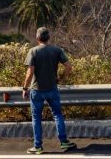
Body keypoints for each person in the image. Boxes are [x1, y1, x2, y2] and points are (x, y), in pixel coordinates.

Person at [21, 27, 77, 155]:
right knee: (57, 115)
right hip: (52, 88)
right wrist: (60, 78)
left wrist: (25, 88)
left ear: (37, 38)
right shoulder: (56, 50)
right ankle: (64, 142)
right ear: (48, 38)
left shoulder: (33, 51)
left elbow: (30, 73)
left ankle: (38, 146)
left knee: (36, 118)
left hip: (36, 90)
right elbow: (69, 67)